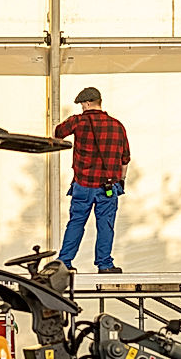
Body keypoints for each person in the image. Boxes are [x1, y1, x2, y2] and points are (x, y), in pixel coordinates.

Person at [55, 86, 130, 274]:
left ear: (88, 103)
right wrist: (120, 181)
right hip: (108, 186)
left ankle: (64, 262)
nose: (81, 108)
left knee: (76, 222)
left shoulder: (78, 122)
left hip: (83, 184)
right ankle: (104, 264)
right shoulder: (117, 125)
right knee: (105, 225)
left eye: (82, 104)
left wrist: (73, 119)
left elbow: (58, 132)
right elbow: (125, 158)